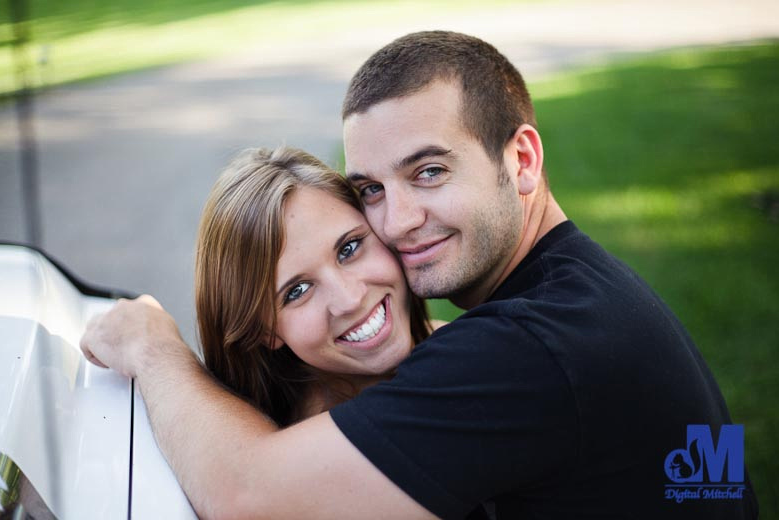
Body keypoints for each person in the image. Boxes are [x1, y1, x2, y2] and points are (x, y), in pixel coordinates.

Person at [81, 31, 758, 519]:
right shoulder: (579, 296)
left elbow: (248, 496)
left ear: (521, 160)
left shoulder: (531, 349)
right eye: (371, 188)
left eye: (429, 171)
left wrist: (155, 348)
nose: (399, 221)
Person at [194, 146, 430, 426]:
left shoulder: (458, 341)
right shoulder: (332, 447)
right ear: (264, 331)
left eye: (349, 248)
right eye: (298, 291)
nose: (350, 299)